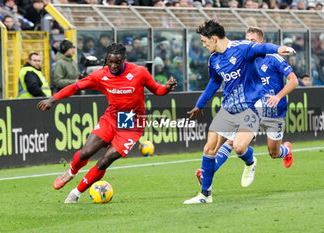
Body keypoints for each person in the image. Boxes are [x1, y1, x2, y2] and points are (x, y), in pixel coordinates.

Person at [37, 43, 177, 203]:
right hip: (111, 118)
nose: (113, 65)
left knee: (105, 160)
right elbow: (75, 87)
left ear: (124, 59)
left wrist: (166, 88)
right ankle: (71, 172)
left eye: (117, 62)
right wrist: (52, 99)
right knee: (85, 152)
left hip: (131, 123)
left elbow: (157, 90)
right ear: (106, 59)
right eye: (110, 61)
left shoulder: (139, 72)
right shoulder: (100, 75)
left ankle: (75, 194)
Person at [183, 20, 295, 204]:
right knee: (209, 148)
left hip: (253, 106)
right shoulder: (214, 60)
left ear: (213, 38)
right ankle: (205, 195)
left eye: (204, 41)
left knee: (239, 147)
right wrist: (200, 104)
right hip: (229, 107)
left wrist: (279, 48)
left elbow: (263, 47)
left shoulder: (242, 48)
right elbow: (213, 83)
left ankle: (251, 162)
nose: (203, 45)